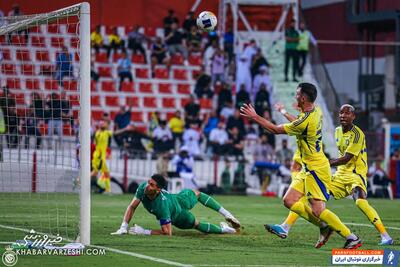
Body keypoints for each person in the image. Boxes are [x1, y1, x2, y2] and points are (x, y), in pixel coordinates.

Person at [240, 82, 362, 249]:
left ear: (303, 98)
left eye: (297, 94)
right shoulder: (316, 110)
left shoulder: (304, 122)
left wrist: (255, 117)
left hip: (316, 169)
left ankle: (351, 237)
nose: (295, 97)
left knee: (319, 210)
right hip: (309, 167)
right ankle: (323, 227)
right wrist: (283, 111)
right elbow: (297, 124)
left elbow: (276, 130)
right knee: (289, 200)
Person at [265, 104, 393, 246]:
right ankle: (287, 227)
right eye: (341, 113)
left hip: (355, 175)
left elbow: (347, 158)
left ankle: (385, 236)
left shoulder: (358, 135)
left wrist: (325, 164)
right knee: (310, 194)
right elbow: (297, 124)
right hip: (339, 175)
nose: (343, 116)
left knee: (360, 201)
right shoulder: (337, 131)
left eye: (347, 113)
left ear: (353, 116)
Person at [111, 174, 240, 236]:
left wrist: (144, 231)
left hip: (178, 210)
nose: (147, 186)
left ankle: (227, 219)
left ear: (158, 189)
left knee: (197, 195)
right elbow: (132, 206)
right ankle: (226, 229)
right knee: (196, 224)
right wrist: (123, 227)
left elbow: (168, 232)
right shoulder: (142, 188)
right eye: (148, 182)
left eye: (151, 185)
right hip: (176, 204)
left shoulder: (161, 206)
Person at [91, 120, 127, 193]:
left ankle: (108, 190)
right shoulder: (100, 133)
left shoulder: (104, 132)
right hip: (99, 157)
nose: (106, 125)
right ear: (101, 126)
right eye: (104, 124)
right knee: (95, 173)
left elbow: (114, 133)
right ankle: (79, 181)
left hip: (101, 157)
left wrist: (125, 129)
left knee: (106, 173)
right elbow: (97, 144)